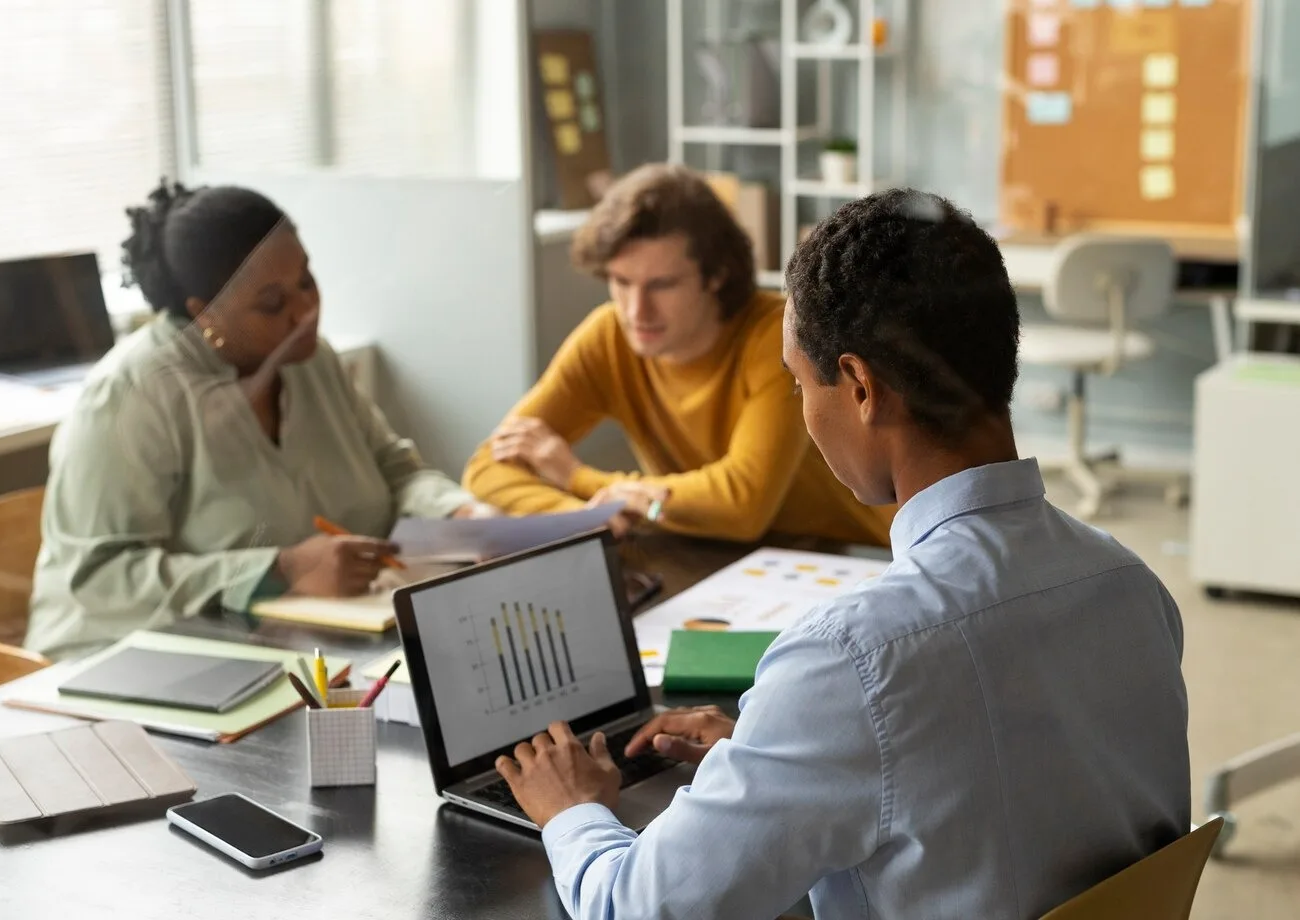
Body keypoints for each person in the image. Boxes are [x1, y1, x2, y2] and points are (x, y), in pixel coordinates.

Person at [493, 189, 1191, 919]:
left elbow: (635, 909)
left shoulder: (853, 659)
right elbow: (1026, 771)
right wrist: (785, 762)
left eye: (800, 382)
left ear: (859, 387)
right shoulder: (1131, 585)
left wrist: (571, 811)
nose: (803, 408)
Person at [26, 181, 491, 660]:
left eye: (307, 282)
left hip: (309, 648)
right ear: (203, 312)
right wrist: (281, 568)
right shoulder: (132, 397)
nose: (306, 312)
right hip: (138, 658)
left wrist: (460, 515)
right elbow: (97, 579)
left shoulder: (312, 361)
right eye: (272, 304)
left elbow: (396, 473)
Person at [462, 163, 893, 545]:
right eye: (621, 282)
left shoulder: (775, 337)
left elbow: (743, 505)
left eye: (662, 285)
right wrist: (579, 517)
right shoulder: (608, 336)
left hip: (855, 555)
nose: (636, 310)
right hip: (719, 559)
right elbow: (486, 468)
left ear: (717, 274)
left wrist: (577, 477)